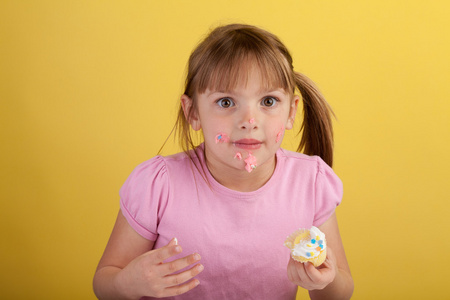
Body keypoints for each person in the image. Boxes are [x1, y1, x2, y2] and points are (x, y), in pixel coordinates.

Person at [93, 23, 354, 300]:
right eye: (226, 102)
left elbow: (340, 292)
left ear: (291, 111)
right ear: (192, 112)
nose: (249, 122)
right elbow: (105, 282)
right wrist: (127, 283)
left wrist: (324, 279)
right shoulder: (157, 185)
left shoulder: (310, 183)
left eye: (268, 101)